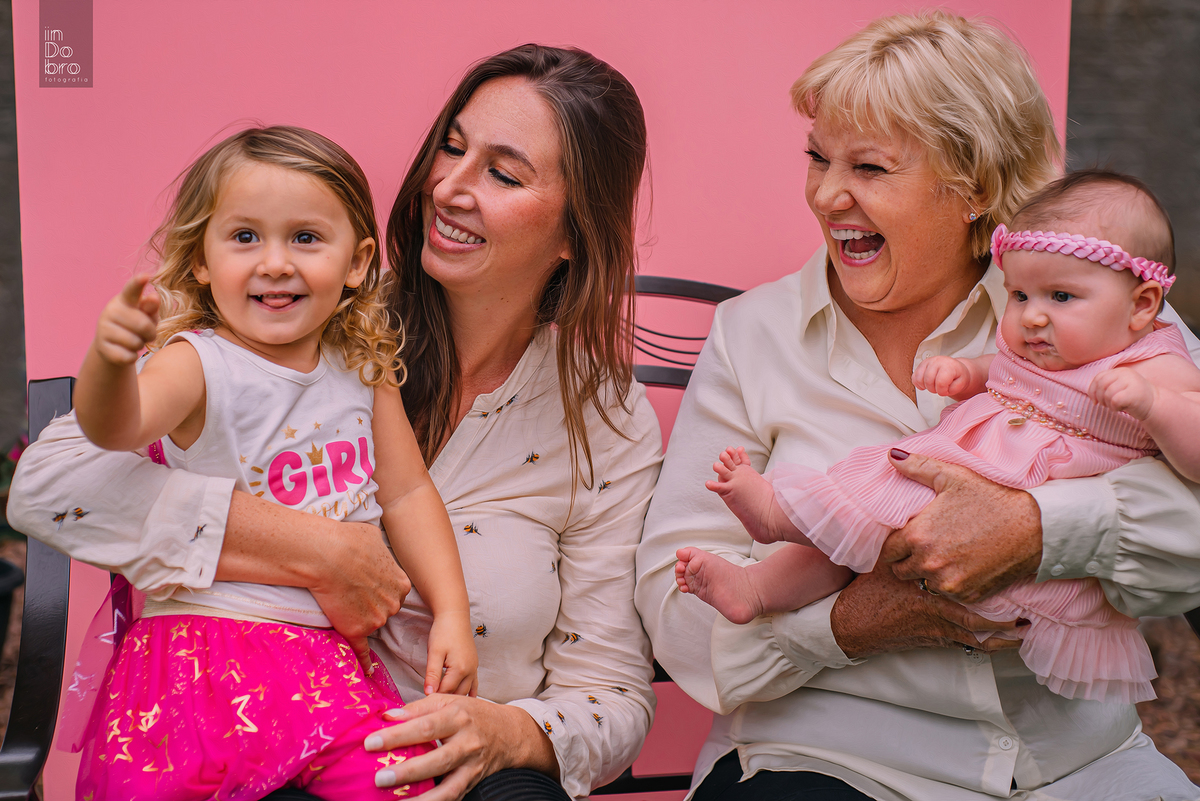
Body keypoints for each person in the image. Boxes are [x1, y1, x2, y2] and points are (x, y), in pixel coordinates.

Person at [10, 45, 660, 801]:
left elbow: (611, 691)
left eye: (503, 174)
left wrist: (510, 731)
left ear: (574, 233)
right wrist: (318, 550)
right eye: (451, 147)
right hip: (237, 714)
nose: (448, 186)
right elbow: (49, 486)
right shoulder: (296, 316)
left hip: (436, 768)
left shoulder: (602, 417)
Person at [635, 12, 1200, 801]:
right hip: (826, 758)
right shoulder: (753, 336)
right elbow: (676, 607)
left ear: (971, 186)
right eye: (818, 157)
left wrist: (1041, 532)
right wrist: (849, 623)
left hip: (1077, 767)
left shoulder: (1100, 308)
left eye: (870, 167)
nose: (828, 194)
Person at [59, 125, 478, 800]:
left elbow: (406, 494)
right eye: (245, 236)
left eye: (305, 238)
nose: (275, 263)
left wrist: (453, 612)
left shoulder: (360, 372)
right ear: (199, 259)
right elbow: (117, 425)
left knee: (409, 786)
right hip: (197, 662)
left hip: (327, 667)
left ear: (357, 261)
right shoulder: (197, 363)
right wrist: (110, 361)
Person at [676, 170, 1200, 706]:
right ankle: (759, 581)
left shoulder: (1156, 362)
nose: (1032, 315)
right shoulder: (1048, 342)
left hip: (1038, 551)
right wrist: (967, 374)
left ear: (1142, 305)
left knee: (877, 521)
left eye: (1061, 296)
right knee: (855, 529)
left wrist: (1155, 406)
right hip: (963, 478)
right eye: (1018, 294)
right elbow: (1007, 372)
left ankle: (780, 524)